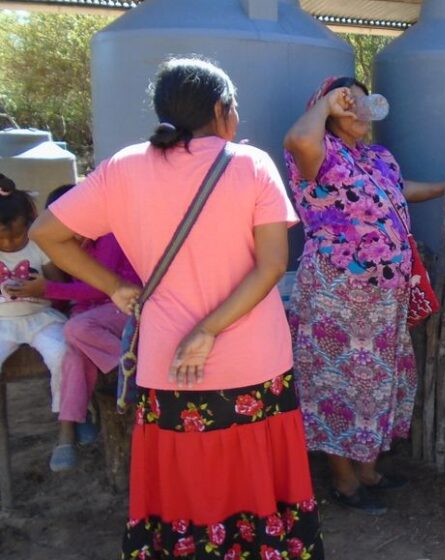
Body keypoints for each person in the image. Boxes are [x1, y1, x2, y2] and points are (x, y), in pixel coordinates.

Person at [30, 57, 322, 558]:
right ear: (220, 109)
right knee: (256, 486)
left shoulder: (122, 167)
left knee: (186, 489)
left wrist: (117, 288)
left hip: (167, 369)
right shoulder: (251, 165)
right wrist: (209, 330)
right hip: (255, 363)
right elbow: (272, 266)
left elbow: (47, 235)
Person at [284, 76, 445, 515]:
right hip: (337, 295)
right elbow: (296, 138)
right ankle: (344, 481)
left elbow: (398, 194)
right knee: (336, 383)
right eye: (351, 105)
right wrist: (328, 103)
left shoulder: (376, 156)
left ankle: (367, 470)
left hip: (383, 298)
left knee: (375, 383)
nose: (360, 113)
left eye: (365, 105)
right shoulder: (316, 152)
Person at [37, 184, 141, 472]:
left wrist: (47, 288)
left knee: (75, 331)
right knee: (74, 352)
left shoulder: (110, 236)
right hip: (94, 318)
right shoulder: (70, 245)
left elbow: (98, 289)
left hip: (126, 310)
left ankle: (136, 368)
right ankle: (68, 431)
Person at [0, 174, 67, 431]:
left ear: (30, 223)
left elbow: (59, 285)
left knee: (61, 353)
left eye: (17, 236)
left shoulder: (38, 246)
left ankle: (65, 416)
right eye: (2, 239)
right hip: (3, 322)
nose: (10, 243)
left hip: (42, 319)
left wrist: (41, 287)